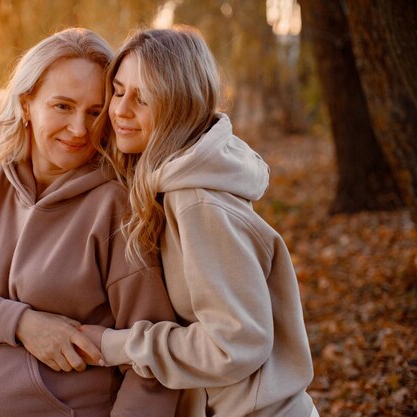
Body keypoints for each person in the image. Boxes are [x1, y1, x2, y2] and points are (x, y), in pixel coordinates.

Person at [0, 27, 179, 417]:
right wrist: (21, 324)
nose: (79, 130)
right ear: (26, 104)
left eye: (94, 112)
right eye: (63, 106)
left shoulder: (115, 206)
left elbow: (151, 358)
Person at [81, 26, 319, 417]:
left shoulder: (195, 202)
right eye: (118, 91)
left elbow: (235, 343)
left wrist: (116, 346)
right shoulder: (174, 178)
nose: (119, 111)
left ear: (178, 104)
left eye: (142, 98)